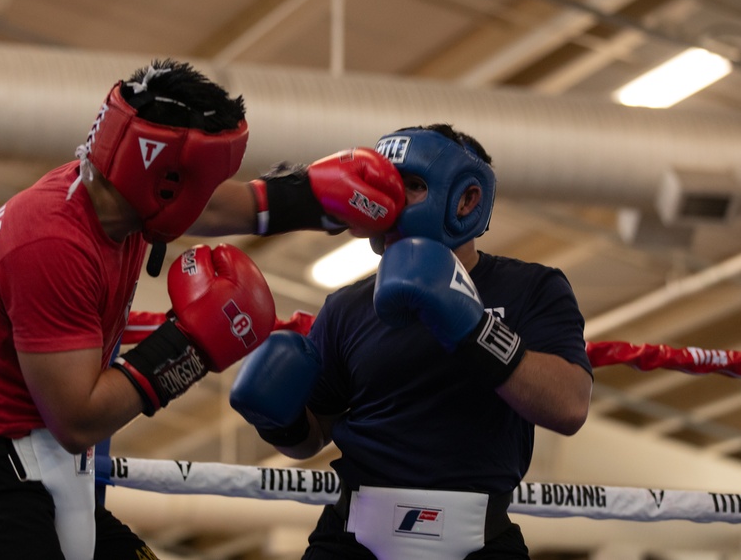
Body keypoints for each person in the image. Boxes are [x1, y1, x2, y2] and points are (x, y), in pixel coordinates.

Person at [0, 58, 407, 560]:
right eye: (200, 177)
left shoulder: (116, 200)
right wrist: (189, 345)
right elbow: (78, 419)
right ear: (165, 180)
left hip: (49, 467)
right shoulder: (49, 241)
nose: (206, 193)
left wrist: (312, 197)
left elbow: (210, 204)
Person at [231, 123, 594, 560]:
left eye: (414, 187)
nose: (394, 203)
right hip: (353, 539)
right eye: (386, 187)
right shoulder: (347, 306)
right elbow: (310, 437)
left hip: (478, 539)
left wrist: (472, 326)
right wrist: (277, 418)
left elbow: (569, 406)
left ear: (466, 199)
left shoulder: (529, 287)